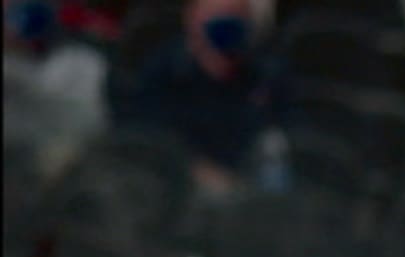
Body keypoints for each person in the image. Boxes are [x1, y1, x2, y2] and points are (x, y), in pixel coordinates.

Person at [115, 0, 287, 188]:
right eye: (219, 14)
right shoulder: (162, 73)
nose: (228, 22)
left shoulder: (264, 76)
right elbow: (147, 141)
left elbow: (279, 137)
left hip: (248, 193)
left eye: (237, 15)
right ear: (193, 19)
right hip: (175, 190)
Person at [3, 0, 110, 179]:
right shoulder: (23, 62)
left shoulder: (79, 59)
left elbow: (41, 93)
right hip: (32, 139)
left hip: (73, 138)